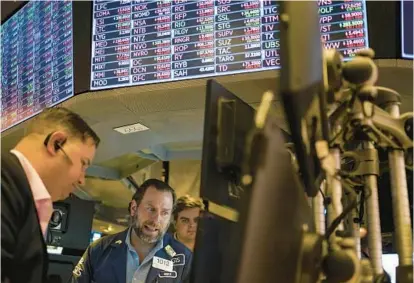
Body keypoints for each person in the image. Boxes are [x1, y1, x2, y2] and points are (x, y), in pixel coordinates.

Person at [1, 107, 100, 283]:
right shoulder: (5, 179)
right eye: (83, 164)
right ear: (56, 143)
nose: (82, 180)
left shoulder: (20, 194)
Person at [71, 179, 192, 283]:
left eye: (165, 213)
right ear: (134, 208)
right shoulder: (99, 250)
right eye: (151, 209)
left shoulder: (184, 259)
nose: (156, 220)